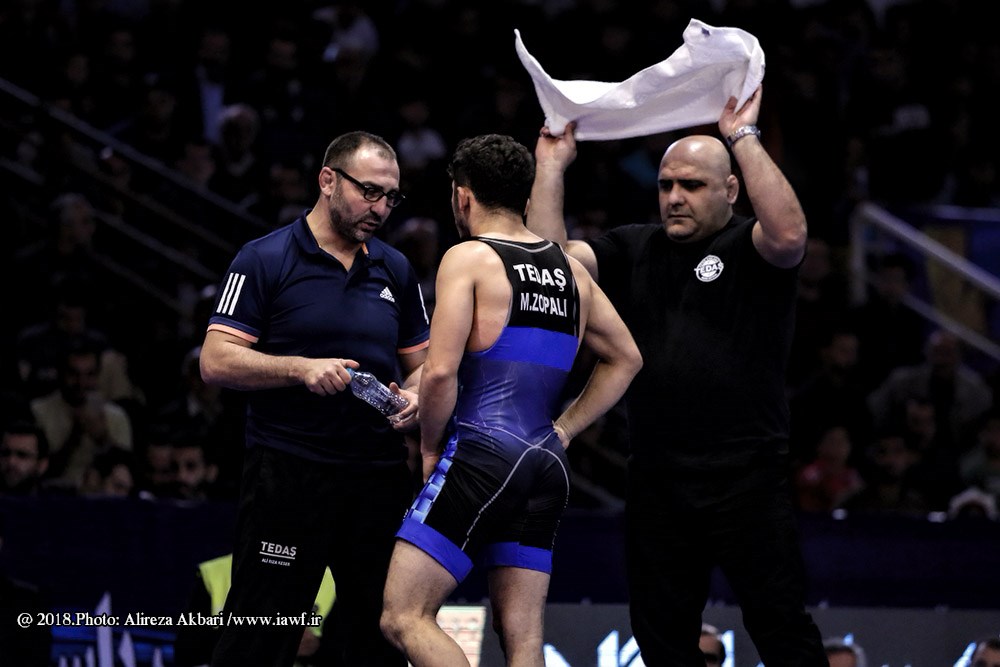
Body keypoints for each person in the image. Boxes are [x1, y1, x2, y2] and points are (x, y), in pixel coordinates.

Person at [529, 85, 828, 663]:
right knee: (661, 639)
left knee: (781, 627)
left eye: (691, 185)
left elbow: (792, 234)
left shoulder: (752, 246)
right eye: (666, 185)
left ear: (730, 190)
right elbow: (550, 268)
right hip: (657, 478)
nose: (674, 198)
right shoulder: (635, 247)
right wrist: (551, 166)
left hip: (747, 476)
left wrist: (742, 136)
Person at [379, 134, 642, 666]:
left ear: (463, 196)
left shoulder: (469, 257)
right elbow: (627, 358)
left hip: (481, 452)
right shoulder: (570, 270)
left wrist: (429, 450)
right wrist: (565, 429)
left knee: (403, 615)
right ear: (524, 198)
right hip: (545, 460)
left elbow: (442, 373)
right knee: (522, 639)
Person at [199, 130, 429, 667]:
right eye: (369, 192)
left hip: (375, 477)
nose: (380, 208)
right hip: (288, 474)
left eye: (390, 197)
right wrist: (299, 368)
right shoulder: (264, 258)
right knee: (262, 633)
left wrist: (418, 396)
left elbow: (422, 366)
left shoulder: (395, 268)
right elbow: (215, 360)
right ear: (327, 180)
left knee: (380, 636)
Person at [0, 420, 50, 496]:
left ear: (42, 465)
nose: (11, 462)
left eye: (22, 455)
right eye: (5, 454)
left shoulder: (58, 501)